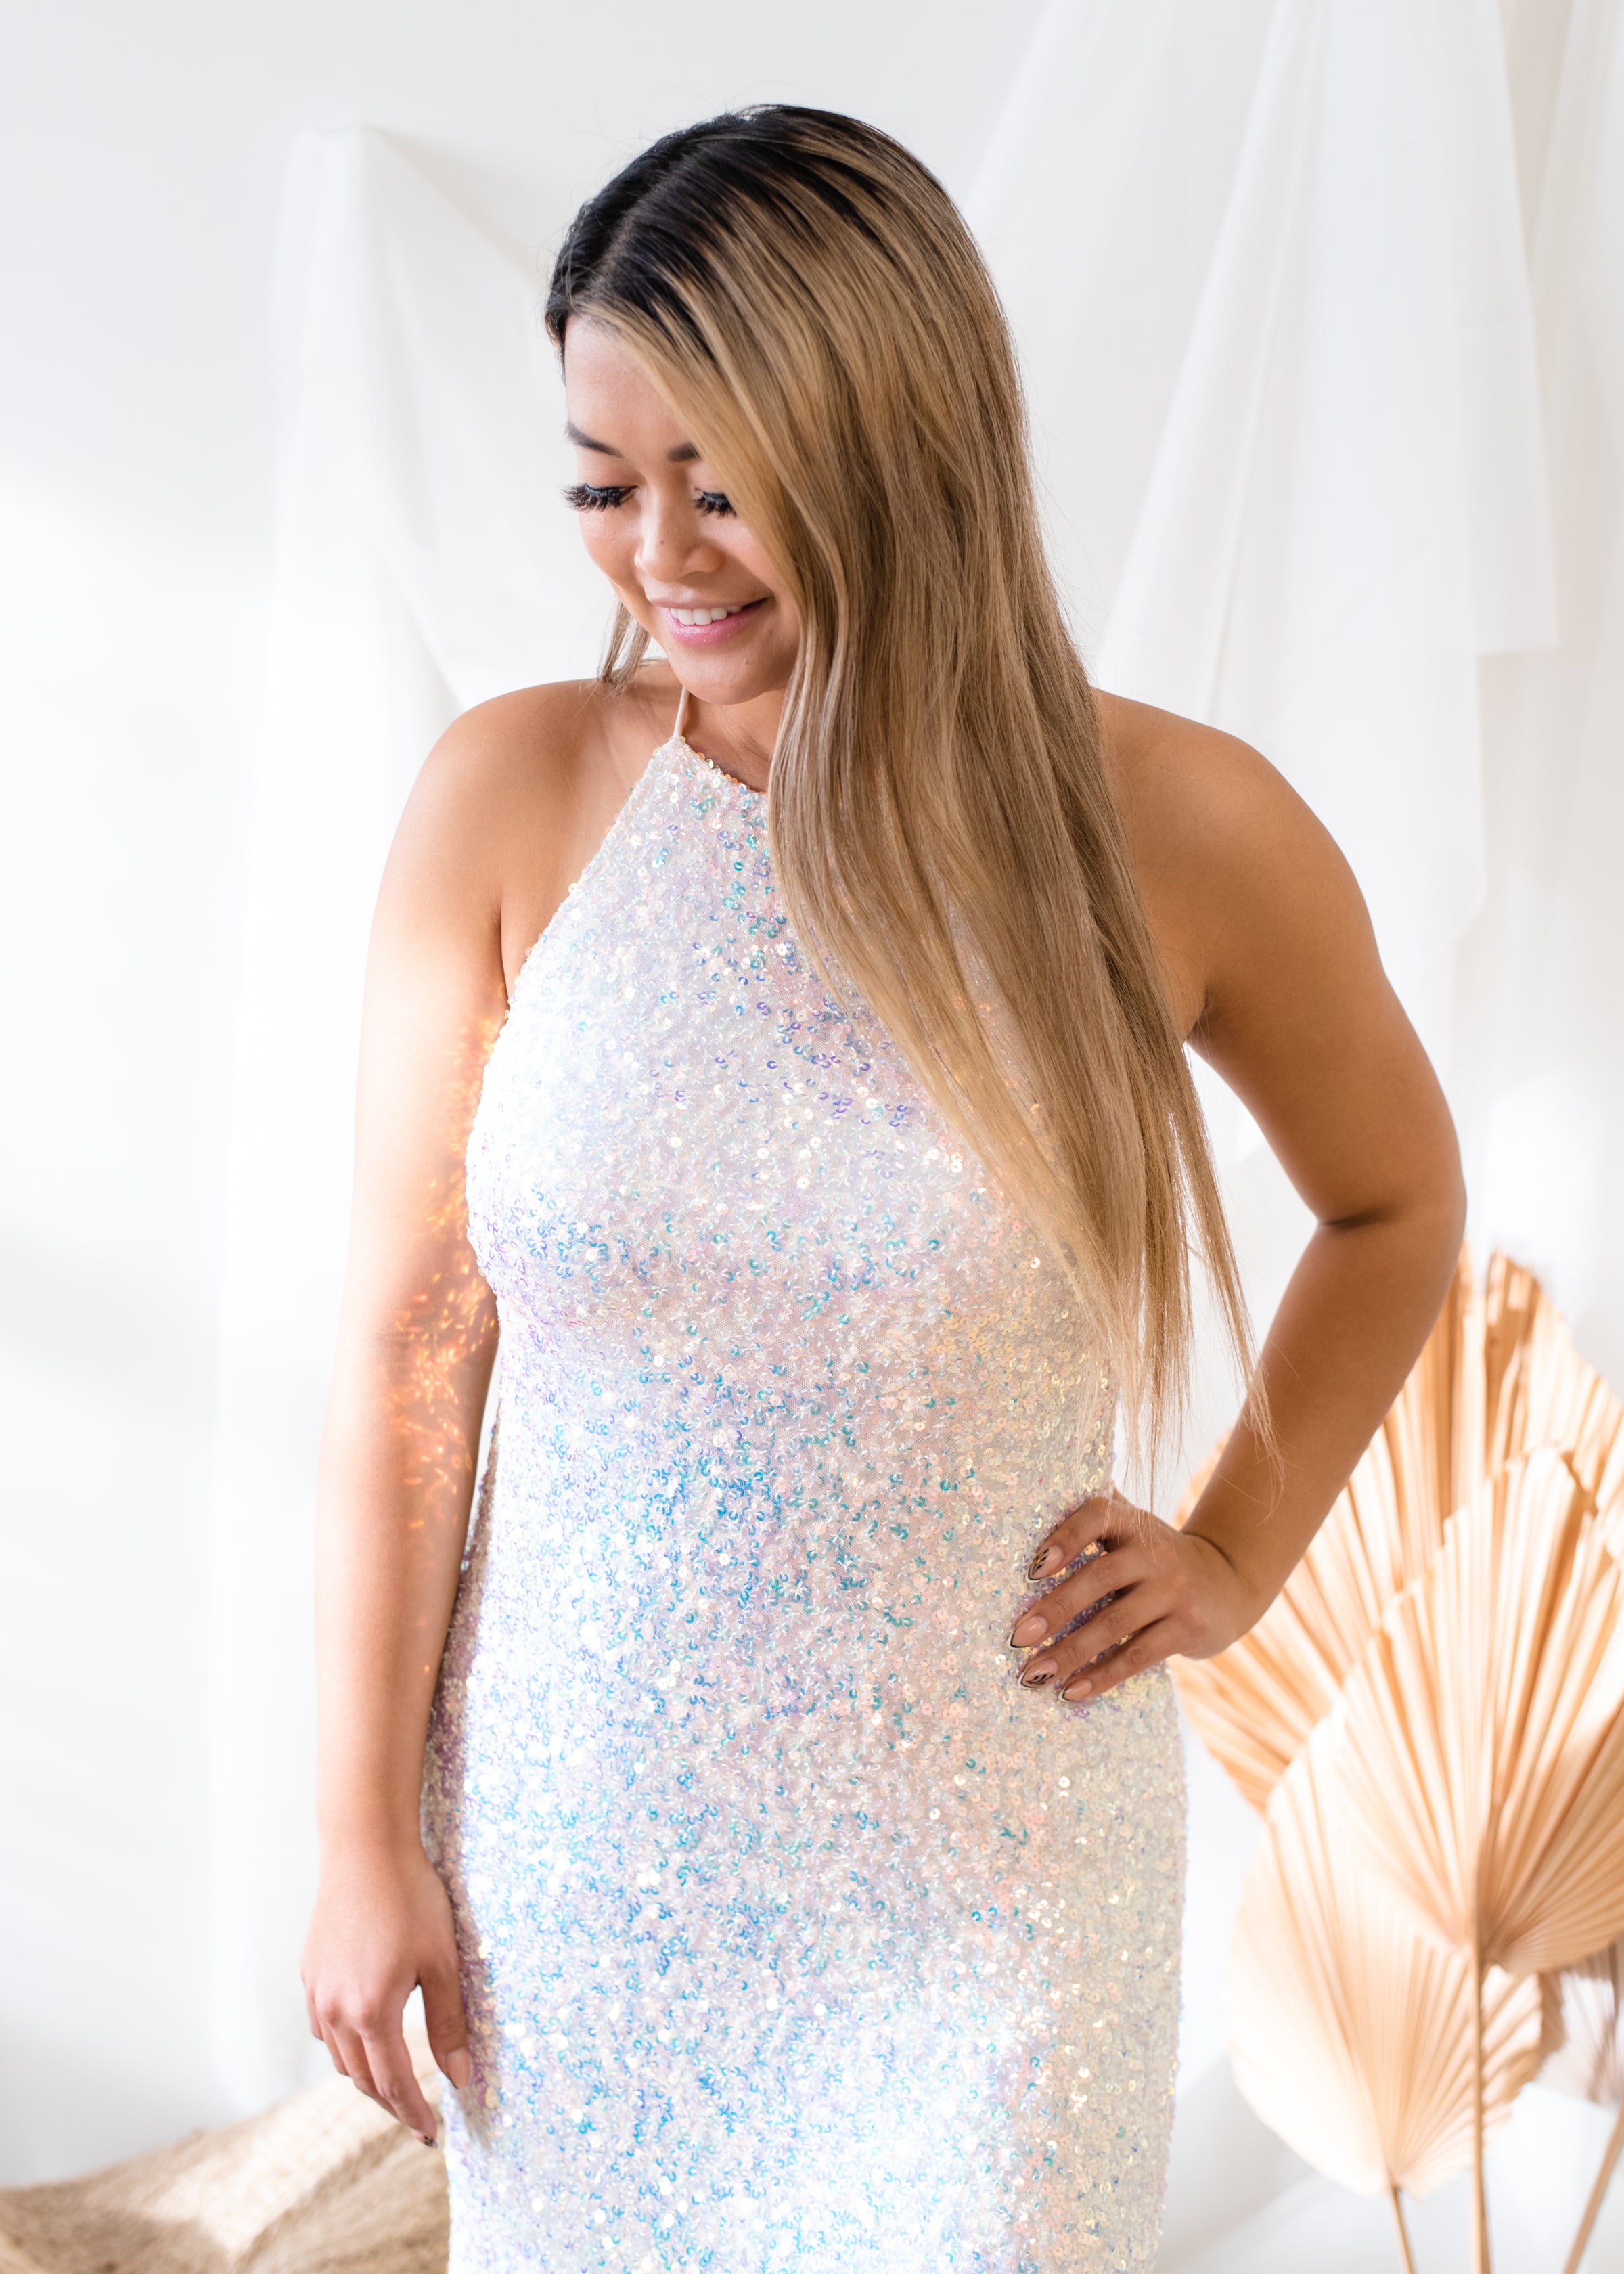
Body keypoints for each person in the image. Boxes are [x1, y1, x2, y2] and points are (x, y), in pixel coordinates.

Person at [300, 106, 1464, 2271]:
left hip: (991, 1903)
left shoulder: (1179, 831)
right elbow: (410, 1354)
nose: (659, 554)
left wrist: (1235, 1551)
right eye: (603, 483)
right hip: (579, 1881)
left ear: (897, 440)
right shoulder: (510, 801)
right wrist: (362, 1834)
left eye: (721, 481)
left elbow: (1393, 1204)